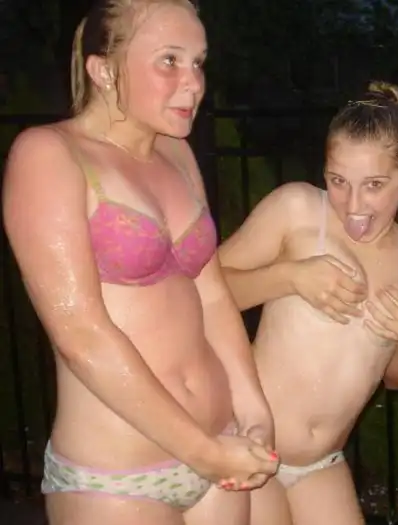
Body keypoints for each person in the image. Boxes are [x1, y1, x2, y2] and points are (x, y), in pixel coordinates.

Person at [1, 1, 279, 524]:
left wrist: (253, 409)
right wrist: (202, 452)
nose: (193, 82)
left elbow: (212, 294)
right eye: (169, 60)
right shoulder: (49, 154)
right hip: (118, 477)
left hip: (219, 448)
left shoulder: (177, 153)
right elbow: (81, 334)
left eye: (198, 62)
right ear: (104, 70)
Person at [218, 81, 398, 525]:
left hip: (321, 465)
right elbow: (203, 292)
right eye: (338, 181)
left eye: (374, 185)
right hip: (247, 438)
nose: (353, 204)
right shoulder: (297, 210)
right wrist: (289, 277)